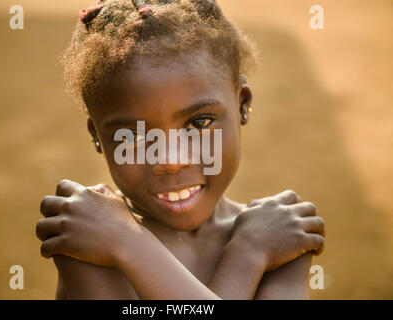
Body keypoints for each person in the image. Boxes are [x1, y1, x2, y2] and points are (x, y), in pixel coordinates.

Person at [36, 0, 325, 299]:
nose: (171, 161)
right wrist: (247, 255)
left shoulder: (278, 234)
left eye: (198, 122)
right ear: (98, 136)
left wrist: (127, 245)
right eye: (134, 135)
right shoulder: (89, 236)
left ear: (242, 104)